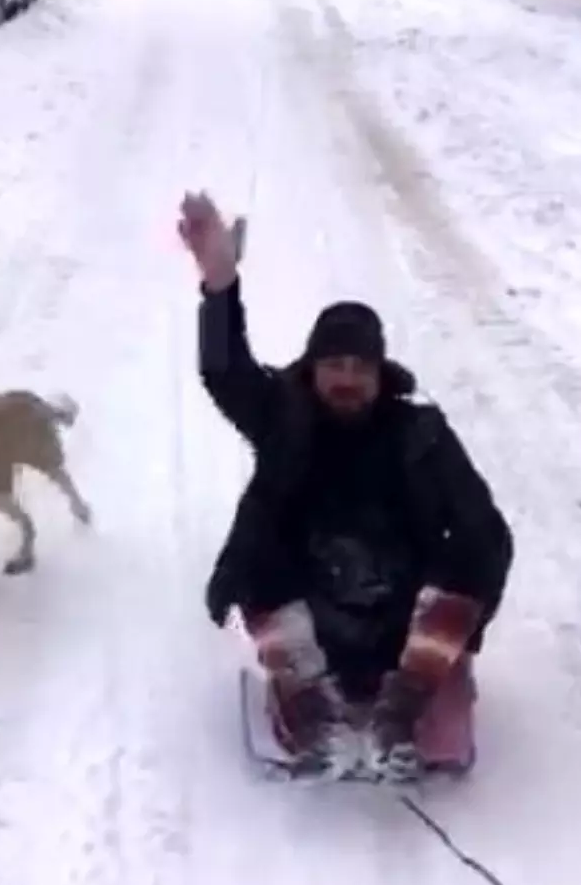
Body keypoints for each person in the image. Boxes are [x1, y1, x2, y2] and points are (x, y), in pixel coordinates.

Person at [177, 190, 514, 780]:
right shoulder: (285, 416)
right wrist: (219, 286)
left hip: (403, 623)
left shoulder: (420, 432)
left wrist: (462, 620)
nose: (347, 379)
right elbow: (222, 370)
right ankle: (312, 714)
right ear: (313, 370)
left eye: (361, 367)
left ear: (382, 376)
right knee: (259, 552)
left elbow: (485, 530)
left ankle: (402, 711)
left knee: (476, 543)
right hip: (313, 617)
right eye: (334, 365)